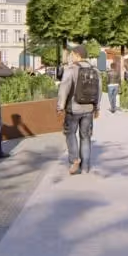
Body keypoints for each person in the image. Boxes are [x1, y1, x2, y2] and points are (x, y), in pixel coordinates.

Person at [56, 47, 101, 175]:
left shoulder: (71, 69)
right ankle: (85, 166)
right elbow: (99, 90)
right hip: (89, 109)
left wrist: (60, 106)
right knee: (86, 136)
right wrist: (97, 108)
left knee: (70, 134)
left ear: (77, 55)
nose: (71, 57)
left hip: (73, 109)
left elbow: (64, 88)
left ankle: (74, 160)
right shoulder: (95, 71)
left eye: (72, 55)